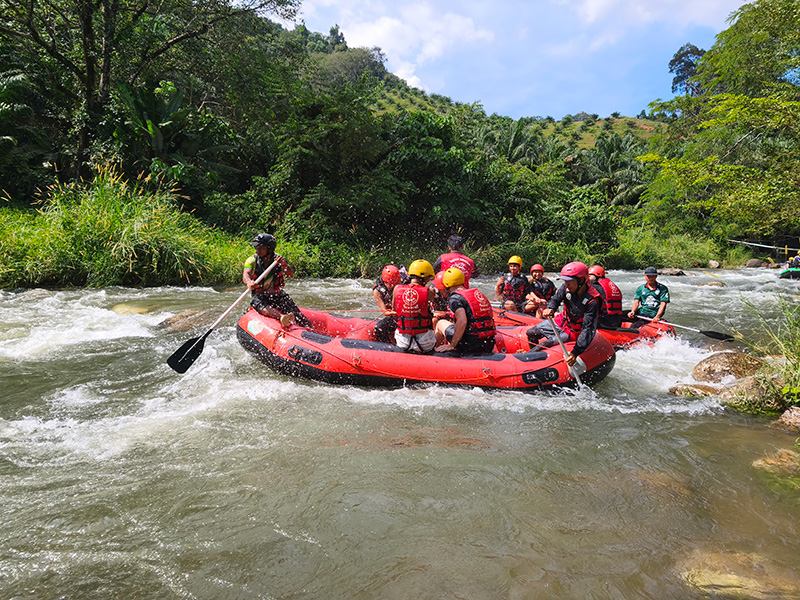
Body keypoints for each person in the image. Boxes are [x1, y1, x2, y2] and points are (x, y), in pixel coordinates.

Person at [526, 261, 602, 367]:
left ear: (581, 280)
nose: (566, 285)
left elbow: (587, 329)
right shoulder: (566, 287)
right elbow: (555, 299)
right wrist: (550, 308)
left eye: (569, 281)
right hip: (562, 321)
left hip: (574, 331)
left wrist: (576, 352)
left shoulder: (592, 301)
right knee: (531, 333)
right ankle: (534, 358)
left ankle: (530, 362)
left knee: (545, 344)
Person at [243, 233, 311, 328]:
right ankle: (281, 317)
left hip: (277, 295)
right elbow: (246, 274)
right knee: (264, 309)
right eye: (256, 247)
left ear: (269, 248)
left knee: (299, 316)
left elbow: (290, 274)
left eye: (261, 248)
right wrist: (249, 282)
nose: (258, 250)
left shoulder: (279, 259)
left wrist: (284, 265)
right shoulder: (252, 260)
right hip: (260, 296)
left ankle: (309, 329)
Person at [435, 267, 496, 355]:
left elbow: (462, 321)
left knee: (440, 323)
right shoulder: (477, 294)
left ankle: (437, 352)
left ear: (447, 284)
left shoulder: (455, 298)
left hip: (470, 345)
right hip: (488, 343)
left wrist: (452, 345)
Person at [392, 260, 437, 353]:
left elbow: (394, 309)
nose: (429, 280)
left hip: (403, 342)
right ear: (423, 278)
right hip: (425, 343)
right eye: (428, 278)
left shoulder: (397, 289)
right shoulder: (430, 291)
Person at [373, 265, 401, 343]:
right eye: (387, 283)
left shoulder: (403, 285)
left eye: (393, 284)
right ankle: (388, 347)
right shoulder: (378, 291)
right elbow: (386, 312)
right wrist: (397, 313)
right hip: (395, 316)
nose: (391, 286)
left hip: (406, 317)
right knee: (379, 328)